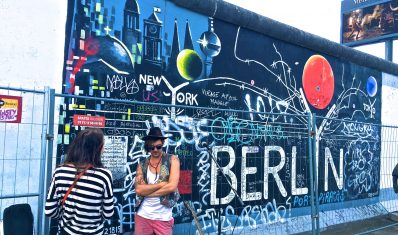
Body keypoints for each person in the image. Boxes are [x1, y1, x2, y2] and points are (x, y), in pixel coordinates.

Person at [45, 128, 114, 235]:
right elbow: (108, 213)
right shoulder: (103, 175)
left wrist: (66, 216)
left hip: (66, 231)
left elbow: (49, 210)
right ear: (98, 149)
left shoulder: (59, 172)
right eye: (103, 145)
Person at [135, 127, 180, 235]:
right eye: (152, 147)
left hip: (163, 218)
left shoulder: (173, 160)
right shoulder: (142, 164)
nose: (155, 150)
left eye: (158, 147)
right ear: (148, 146)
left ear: (163, 143)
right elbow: (139, 190)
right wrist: (162, 184)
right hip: (143, 216)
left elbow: (172, 187)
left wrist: (147, 192)